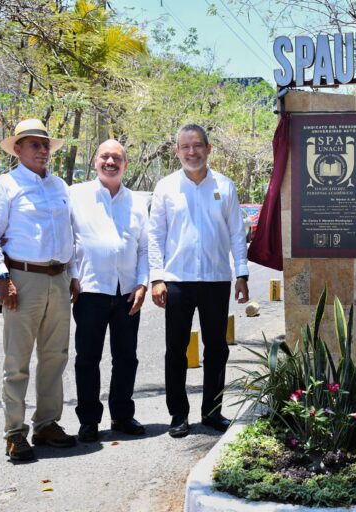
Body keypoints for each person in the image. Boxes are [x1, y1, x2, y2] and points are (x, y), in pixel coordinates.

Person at [0, 118, 78, 461]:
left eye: (45, 144)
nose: (42, 150)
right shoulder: (5, 186)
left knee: (55, 357)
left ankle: (47, 423)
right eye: (34, 144)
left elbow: (70, 235)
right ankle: (14, 432)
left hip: (59, 278)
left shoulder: (60, 186)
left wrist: (73, 274)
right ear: (17, 149)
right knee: (17, 361)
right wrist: (3, 277)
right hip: (22, 279)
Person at [148, 124, 249, 438]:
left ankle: (213, 412)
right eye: (185, 147)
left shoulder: (225, 186)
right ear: (177, 151)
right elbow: (155, 236)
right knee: (175, 349)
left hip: (216, 280)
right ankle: (178, 415)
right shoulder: (165, 187)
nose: (192, 152)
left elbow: (236, 234)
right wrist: (156, 278)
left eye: (197, 146)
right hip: (177, 281)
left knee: (217, 348)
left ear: (208, 148)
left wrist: (241, 275)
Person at [69, 139, 149, 442]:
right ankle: (89, 420)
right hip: (90, 289)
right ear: (95, 161)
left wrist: (142, 283)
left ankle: (122, 415)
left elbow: (144, 248)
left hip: (127, 290)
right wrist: (72, 276)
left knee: (126, 357)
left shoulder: (137, 201)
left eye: (117, 158)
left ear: (126, 165)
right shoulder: (76, 195)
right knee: (87, 358)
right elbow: (67, 240)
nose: (111, 162)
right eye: (105, 157)